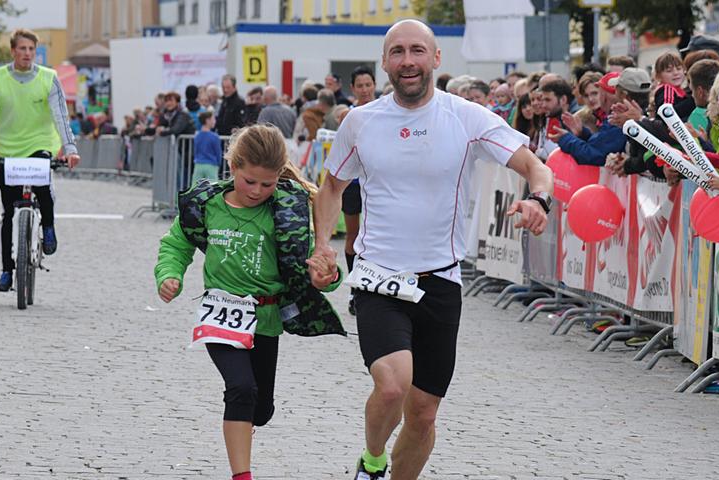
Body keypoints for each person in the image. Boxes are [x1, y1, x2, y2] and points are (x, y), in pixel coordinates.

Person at [310, 19, 553, 480]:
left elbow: (535, 167)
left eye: (417, 51)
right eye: (397, 52)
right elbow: (332, 187)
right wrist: (323, 245)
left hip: (440, 282)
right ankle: (373, 461)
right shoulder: (360, 122)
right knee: (391, 388)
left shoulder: (467, 117)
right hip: (378, 275)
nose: (408, 61)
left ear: (436, 58)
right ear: (385, 62)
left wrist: (539, 199)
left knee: (422, 414)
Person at [154, 124, 344, 480]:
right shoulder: (206, 204)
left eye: (267, 184)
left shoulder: (290, 212)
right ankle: (242, 475)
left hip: (265, 318)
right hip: (220, 315)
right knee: (241, 388)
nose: (258, 191)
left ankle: (247, 423)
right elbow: (176, 245)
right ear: (233, 167)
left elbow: (318, 267)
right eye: (249, 181)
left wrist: (327, 277)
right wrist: (170, 276)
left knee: (261, 408)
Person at [0, 28, 80, 292]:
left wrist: (69, 149)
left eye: (31, 49)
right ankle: (6, 271)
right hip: (7, 150)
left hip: (39, 144)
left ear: (36, 52)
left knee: (43, 189)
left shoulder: (49, 78)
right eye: (22, 49)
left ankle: (48, 227)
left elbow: (60, 116)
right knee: (8, 212)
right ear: (13, 51)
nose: (26, 54)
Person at [342, 65, 377, 315]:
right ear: (353, 88)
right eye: (360, 85)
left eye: (368, 84)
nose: (365, 89)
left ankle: (375, 288)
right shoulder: (349, 115)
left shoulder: (386, 111)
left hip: (378, 183)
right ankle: (355, 289)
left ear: (374, 85)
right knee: (353, 236)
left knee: (376, 236)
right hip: (353, 183)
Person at [653, 51, 695, 121]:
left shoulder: (680, 90)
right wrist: (692, 100)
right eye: (669, 71)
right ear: (658, 76)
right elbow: (667, 113)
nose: (675, 73)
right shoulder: (667, 89)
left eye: (679, 69)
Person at [192, 110, 222, 182]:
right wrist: (218, 163)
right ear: (207, 120)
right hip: (211, 165)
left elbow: (195, 151)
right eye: (213, 119)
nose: (215, 121)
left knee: (195, 189)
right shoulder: (214, 137)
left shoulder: (197, 136)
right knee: (213, 189)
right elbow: (218, 153)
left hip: (198, 164)